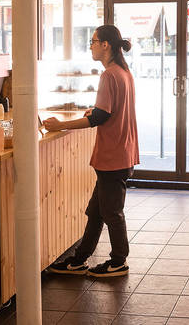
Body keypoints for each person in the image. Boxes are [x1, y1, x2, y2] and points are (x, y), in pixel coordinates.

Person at [45, 24, 139, 278]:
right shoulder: (123, 72)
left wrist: (61, 125)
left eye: (93, 41)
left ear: (106, 45)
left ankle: (119, 261)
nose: (91, 46)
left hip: (113, 155)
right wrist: (95, 112)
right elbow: (109, 111)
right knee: (96, 211)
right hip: (122, 151)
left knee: (111, 212)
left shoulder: (109, 74)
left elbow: (100, 116)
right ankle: (79, 260)